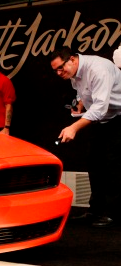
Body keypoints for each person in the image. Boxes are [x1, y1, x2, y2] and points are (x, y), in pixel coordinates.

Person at [50, 46, 121, 227]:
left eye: (61, 68)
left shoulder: (99, 69)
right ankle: (95, 211)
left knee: (114, 164)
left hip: (118, 117)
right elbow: (84, 93)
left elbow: (100, 108)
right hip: (102, 120)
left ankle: (114, 214)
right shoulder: (75, 74)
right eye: (55, 70)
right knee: (94, 162)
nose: (59, 73)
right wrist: (81, 105)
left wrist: (74, 127)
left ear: (72, 59)